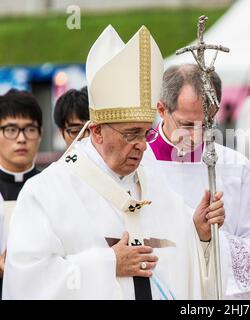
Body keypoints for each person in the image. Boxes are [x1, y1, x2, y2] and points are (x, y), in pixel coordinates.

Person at [3, 25, 224, 300]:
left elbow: (188, 268)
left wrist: (200, 234)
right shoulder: (46, 193)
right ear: (96, 131)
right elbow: (27, 283)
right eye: (130, 133)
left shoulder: (156, 186)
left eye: (146, 132)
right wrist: (108, 264)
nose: (142, 145)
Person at [141, 64, 250, 299]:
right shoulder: (137, 164)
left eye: (207, 124)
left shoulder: (236, 167)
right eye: (187, 125)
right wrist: (194, 232)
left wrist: (214, 241)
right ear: (161, 109)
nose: (198, 136)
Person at [0, 89, 42, 298]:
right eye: (10, 129)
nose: (21, 139)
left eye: (30, 129)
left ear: (41, 135)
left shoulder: (54, 186)